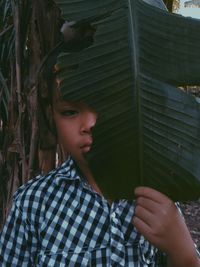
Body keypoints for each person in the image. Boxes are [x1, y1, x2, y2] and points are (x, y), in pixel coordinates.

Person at [0, 70, 200, 267]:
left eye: (103, 105)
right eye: (70, 112)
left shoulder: (156, 192)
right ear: (51, 116)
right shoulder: (33, 203)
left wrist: (181, 249)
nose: (89, 124)